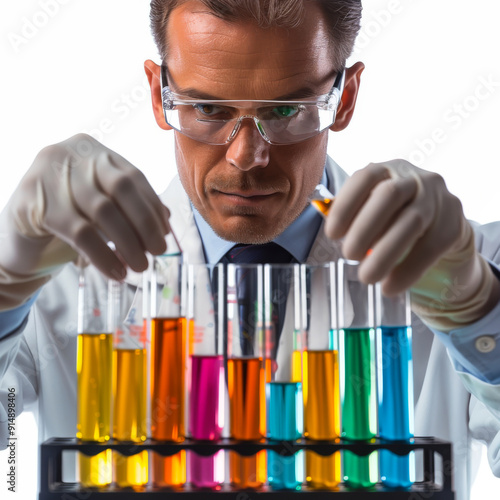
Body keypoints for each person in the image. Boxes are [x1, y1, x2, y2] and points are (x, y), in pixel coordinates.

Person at [1, 0, 499, 497]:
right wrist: (6, 283)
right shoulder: (58, 277)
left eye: (286, 110)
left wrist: (478, 311)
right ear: (158, 94)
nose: (246, 156)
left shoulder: (471, 267)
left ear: (344, 97)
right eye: (208, 109)